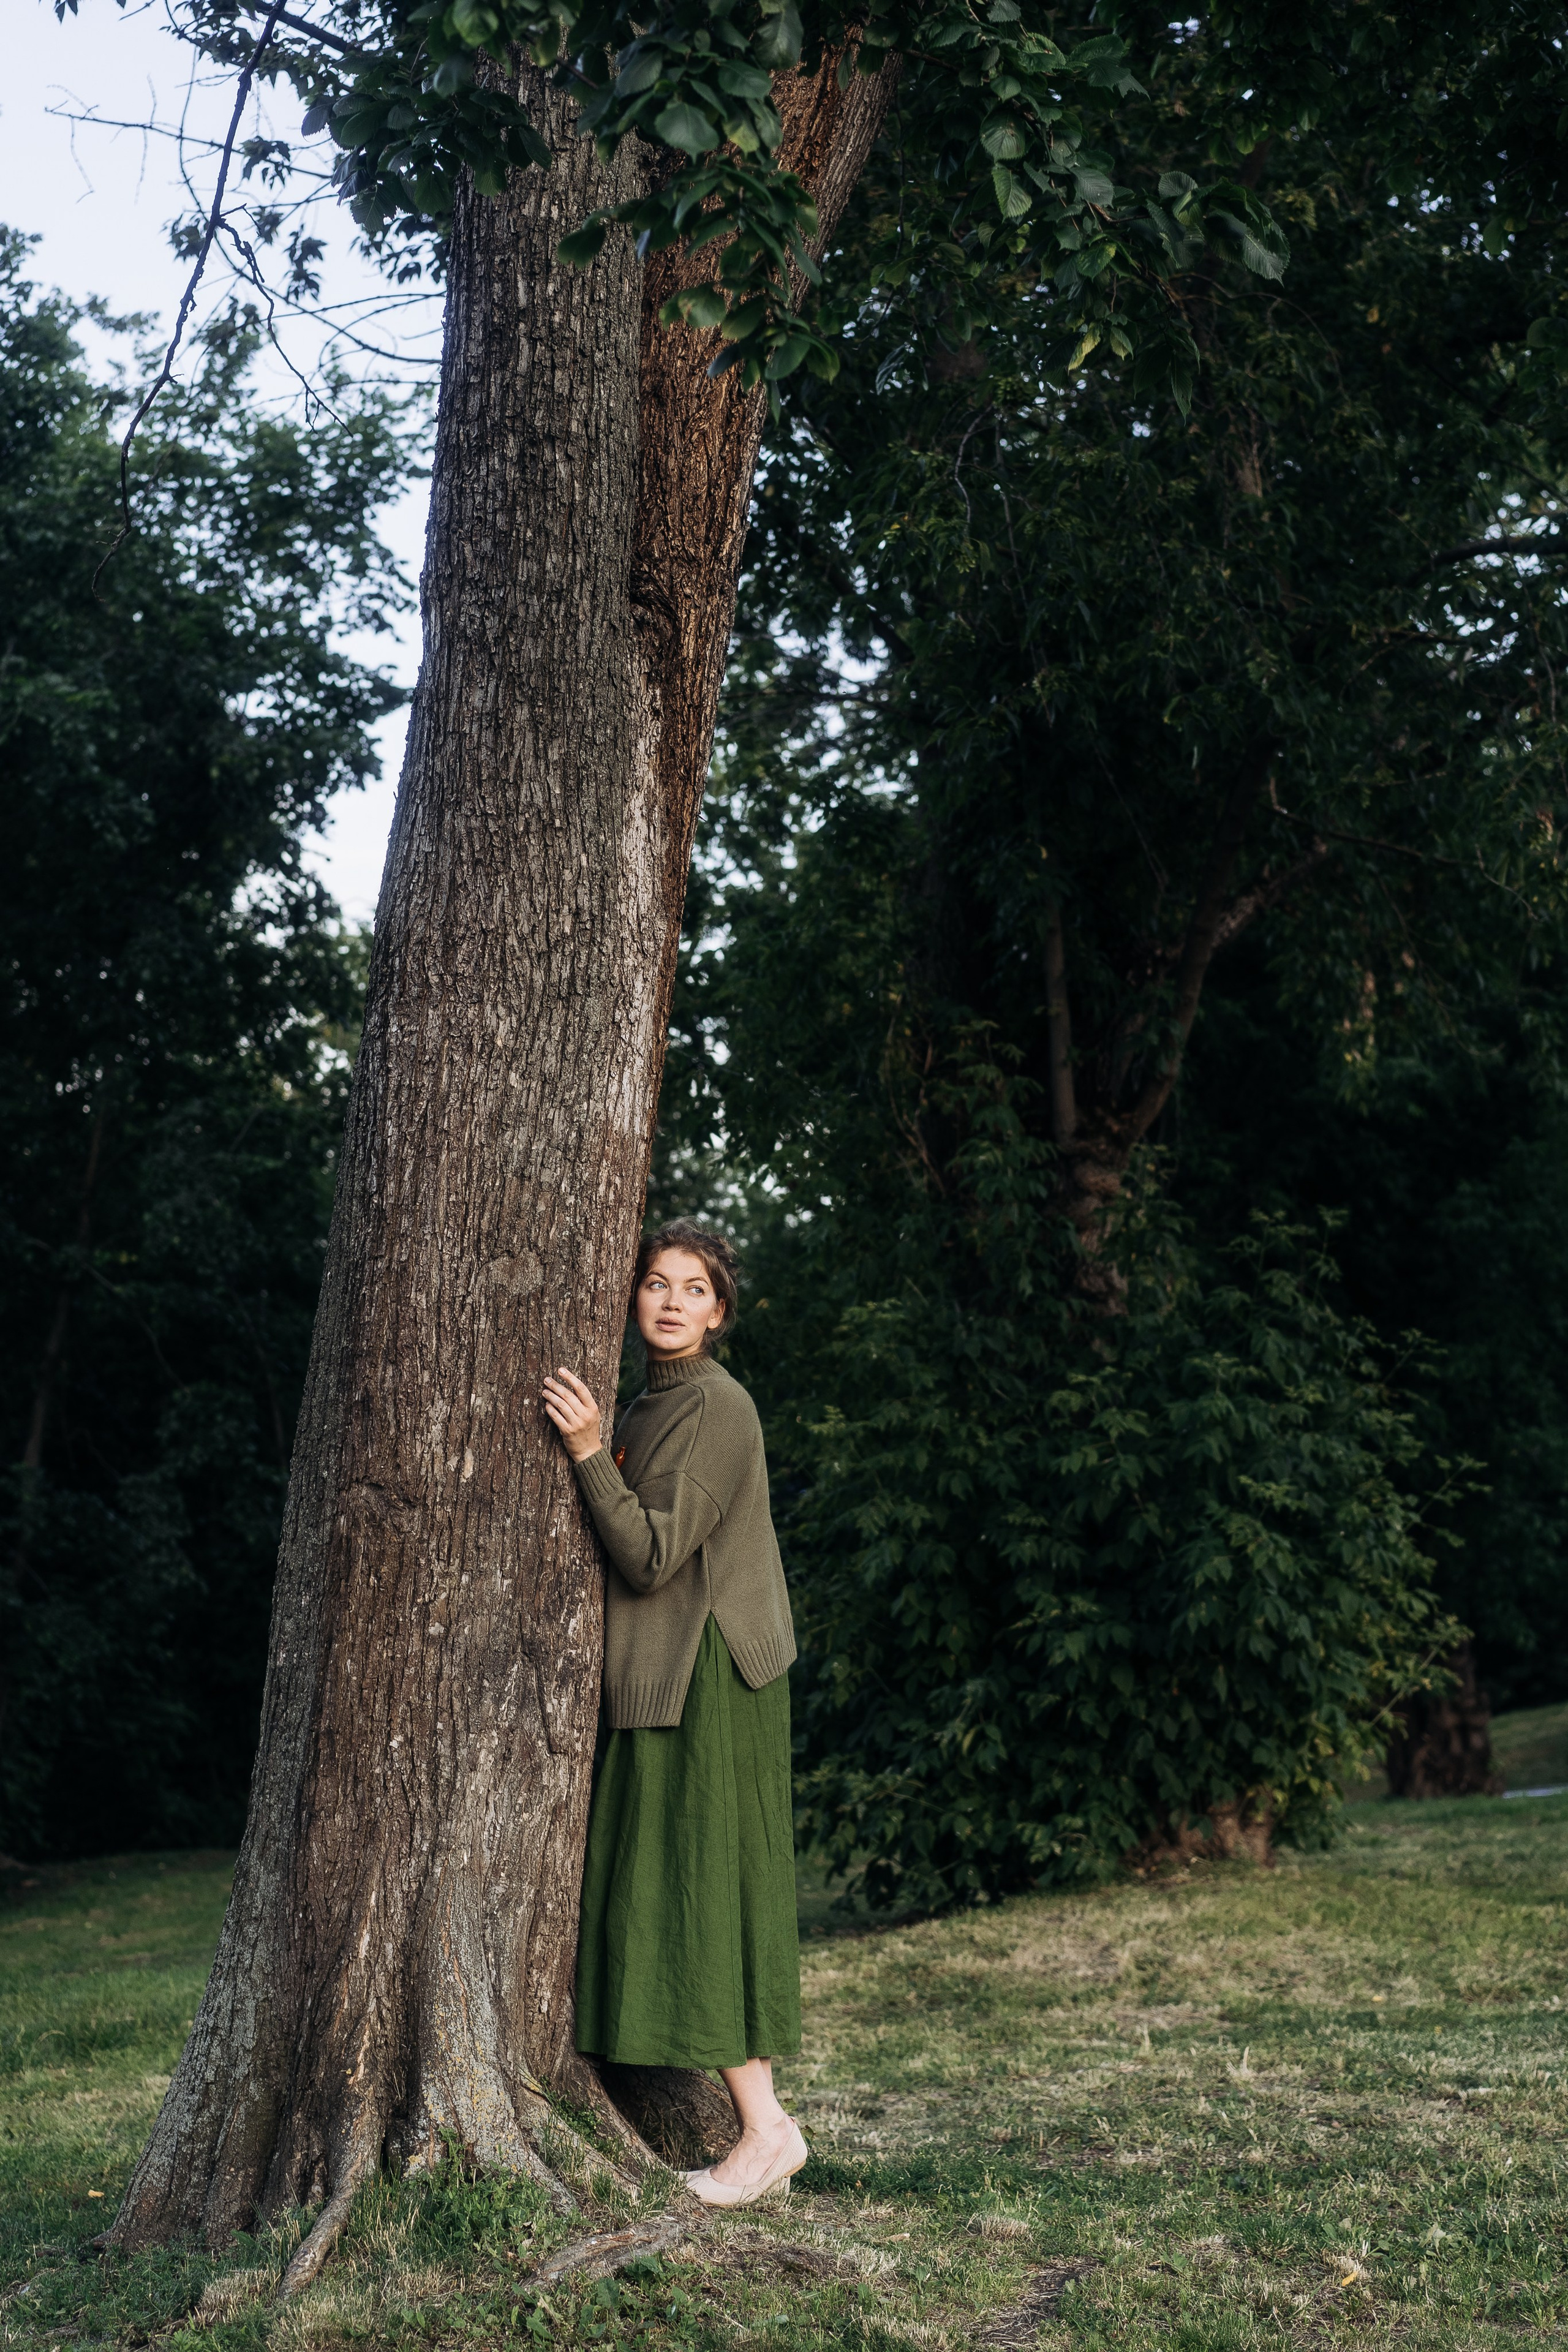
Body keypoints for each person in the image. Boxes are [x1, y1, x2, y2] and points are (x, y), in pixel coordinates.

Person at [541, 1220, 808, 2208]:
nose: (669, 1301)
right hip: (665, 1672)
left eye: (693, 1288)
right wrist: (597, 1442)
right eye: (655, 1283)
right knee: (665, 1882)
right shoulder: (644, 1409)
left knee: (711, 1886)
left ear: (720, 1311)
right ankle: (760, 2124)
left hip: (710, 1679)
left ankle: (766, 2129)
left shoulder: (720, 1408)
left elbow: (652, 1555)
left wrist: (582, 1453)